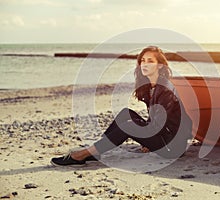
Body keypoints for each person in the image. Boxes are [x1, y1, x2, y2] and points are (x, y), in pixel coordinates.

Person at [51, 46, 193, 166]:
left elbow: (159, 125)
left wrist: (148, 141)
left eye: (150, 61)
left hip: (172, 148)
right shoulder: (151, 86)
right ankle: (95, 152)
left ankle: (82, 155)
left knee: (128, 125)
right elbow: (156, 120)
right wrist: (147, 141)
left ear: (160, 65)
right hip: (163, 137)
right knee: (126, 113)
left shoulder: (165, 89)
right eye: (142, 60)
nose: (144, 64)